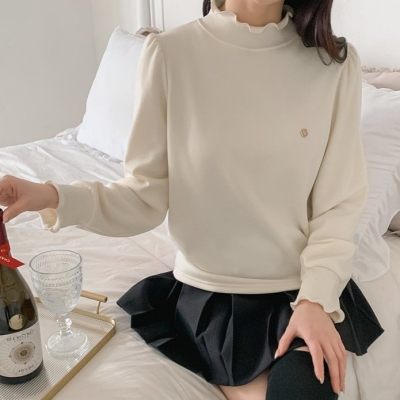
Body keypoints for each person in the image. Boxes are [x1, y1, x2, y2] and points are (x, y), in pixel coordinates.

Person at [0, 0, 385, 399]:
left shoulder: (333, 64)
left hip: (303, 290)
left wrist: (316, 301)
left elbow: (338, 206)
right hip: (214, 299)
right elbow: (142, 197)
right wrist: (52, 196)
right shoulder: (170, 55)